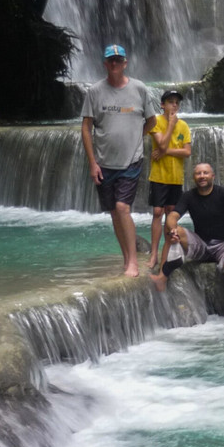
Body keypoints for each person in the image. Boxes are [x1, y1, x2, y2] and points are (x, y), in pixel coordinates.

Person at [153, 163, 224, 325]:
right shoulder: (188, 196)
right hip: (201, 244)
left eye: (205, 173)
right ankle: (162, 277)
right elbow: (173, 216)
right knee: (172, 232)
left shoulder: (223, 193)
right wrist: (172, 229)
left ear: (213, 176)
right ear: (194, 178)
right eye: (198, 173)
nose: (202, 176)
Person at [80, 44, 158, 277]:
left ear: (125, 63)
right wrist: (92, 163)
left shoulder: (139, 89)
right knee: (114, 211)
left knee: (123, 208)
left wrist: (136, 137)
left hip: (131, 161)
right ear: (105, 64)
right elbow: (86, 128)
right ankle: (126, 258)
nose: (114, 64)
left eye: (118, 60)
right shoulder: (94, 91)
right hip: (104, 162)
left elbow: (152, 122)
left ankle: (133, 262)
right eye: (110, 60)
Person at [147, 88, 192, 269]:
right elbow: (161, 143)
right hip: (159, 176)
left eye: (177, 102)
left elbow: (187, 152)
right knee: (157, 212)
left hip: (175, 178)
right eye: (171, 101)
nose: (174, 105)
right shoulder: (156, 122)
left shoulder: (184, 126)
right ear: (162, 105)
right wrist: (171, 125)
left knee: (171, 214)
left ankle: (169, 252)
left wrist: (165, 152)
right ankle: (154, 254)